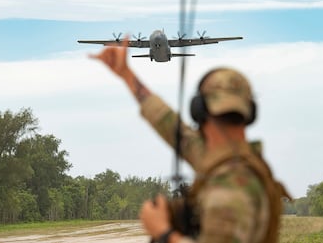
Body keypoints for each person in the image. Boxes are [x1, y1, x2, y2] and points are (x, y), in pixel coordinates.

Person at [90, 37, 289, 243]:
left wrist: (163, 232)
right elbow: (169, 125)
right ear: (250, 111)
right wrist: (127, 74)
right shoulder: (226, 159)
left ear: (198, 110)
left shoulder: (232, 185)